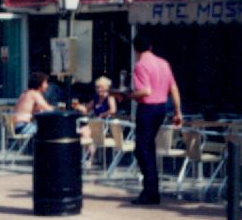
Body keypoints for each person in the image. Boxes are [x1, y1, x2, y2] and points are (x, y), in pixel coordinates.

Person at [128, 33, 183, 205]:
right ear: (150, 47)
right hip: (161, 108)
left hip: (147, 108)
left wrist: (128, 95)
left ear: (135, 48)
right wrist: (178, 111)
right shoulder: (163, 63)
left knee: (143, 149)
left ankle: (150, 191)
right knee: (147, 147)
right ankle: (151, 189)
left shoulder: (140, 65)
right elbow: (173, 87)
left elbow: (145, 91)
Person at [75, 75, 118, 166]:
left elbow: (113, 110)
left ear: (106, 87)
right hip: (96, 123)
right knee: (83, 132)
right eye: (98, 87)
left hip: (106, 124)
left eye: (101, 87)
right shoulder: (96, 98)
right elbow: (87, 109)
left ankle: (90, 157)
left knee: (84, 131)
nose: (99, 89)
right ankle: (91, 156)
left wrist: (103, 114)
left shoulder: (110, 97)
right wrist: (78, 106)